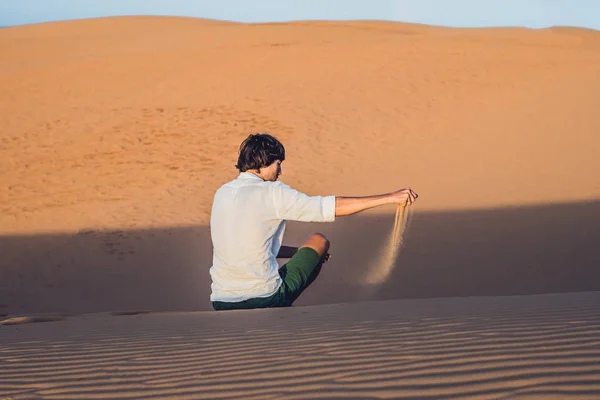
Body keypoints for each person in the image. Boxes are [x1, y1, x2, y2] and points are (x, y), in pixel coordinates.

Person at [209, 133, 418, 311]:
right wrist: (389, 198)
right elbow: (329, 208)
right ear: (264, 161)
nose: (280, 172)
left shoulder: (222, 193)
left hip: (221, 301)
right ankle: (280, 317)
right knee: (319, 240)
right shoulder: (272, 192)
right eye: (278, 164)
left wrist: (298, 252)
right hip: (265, 298)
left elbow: (249, 245)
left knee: (308, 249)